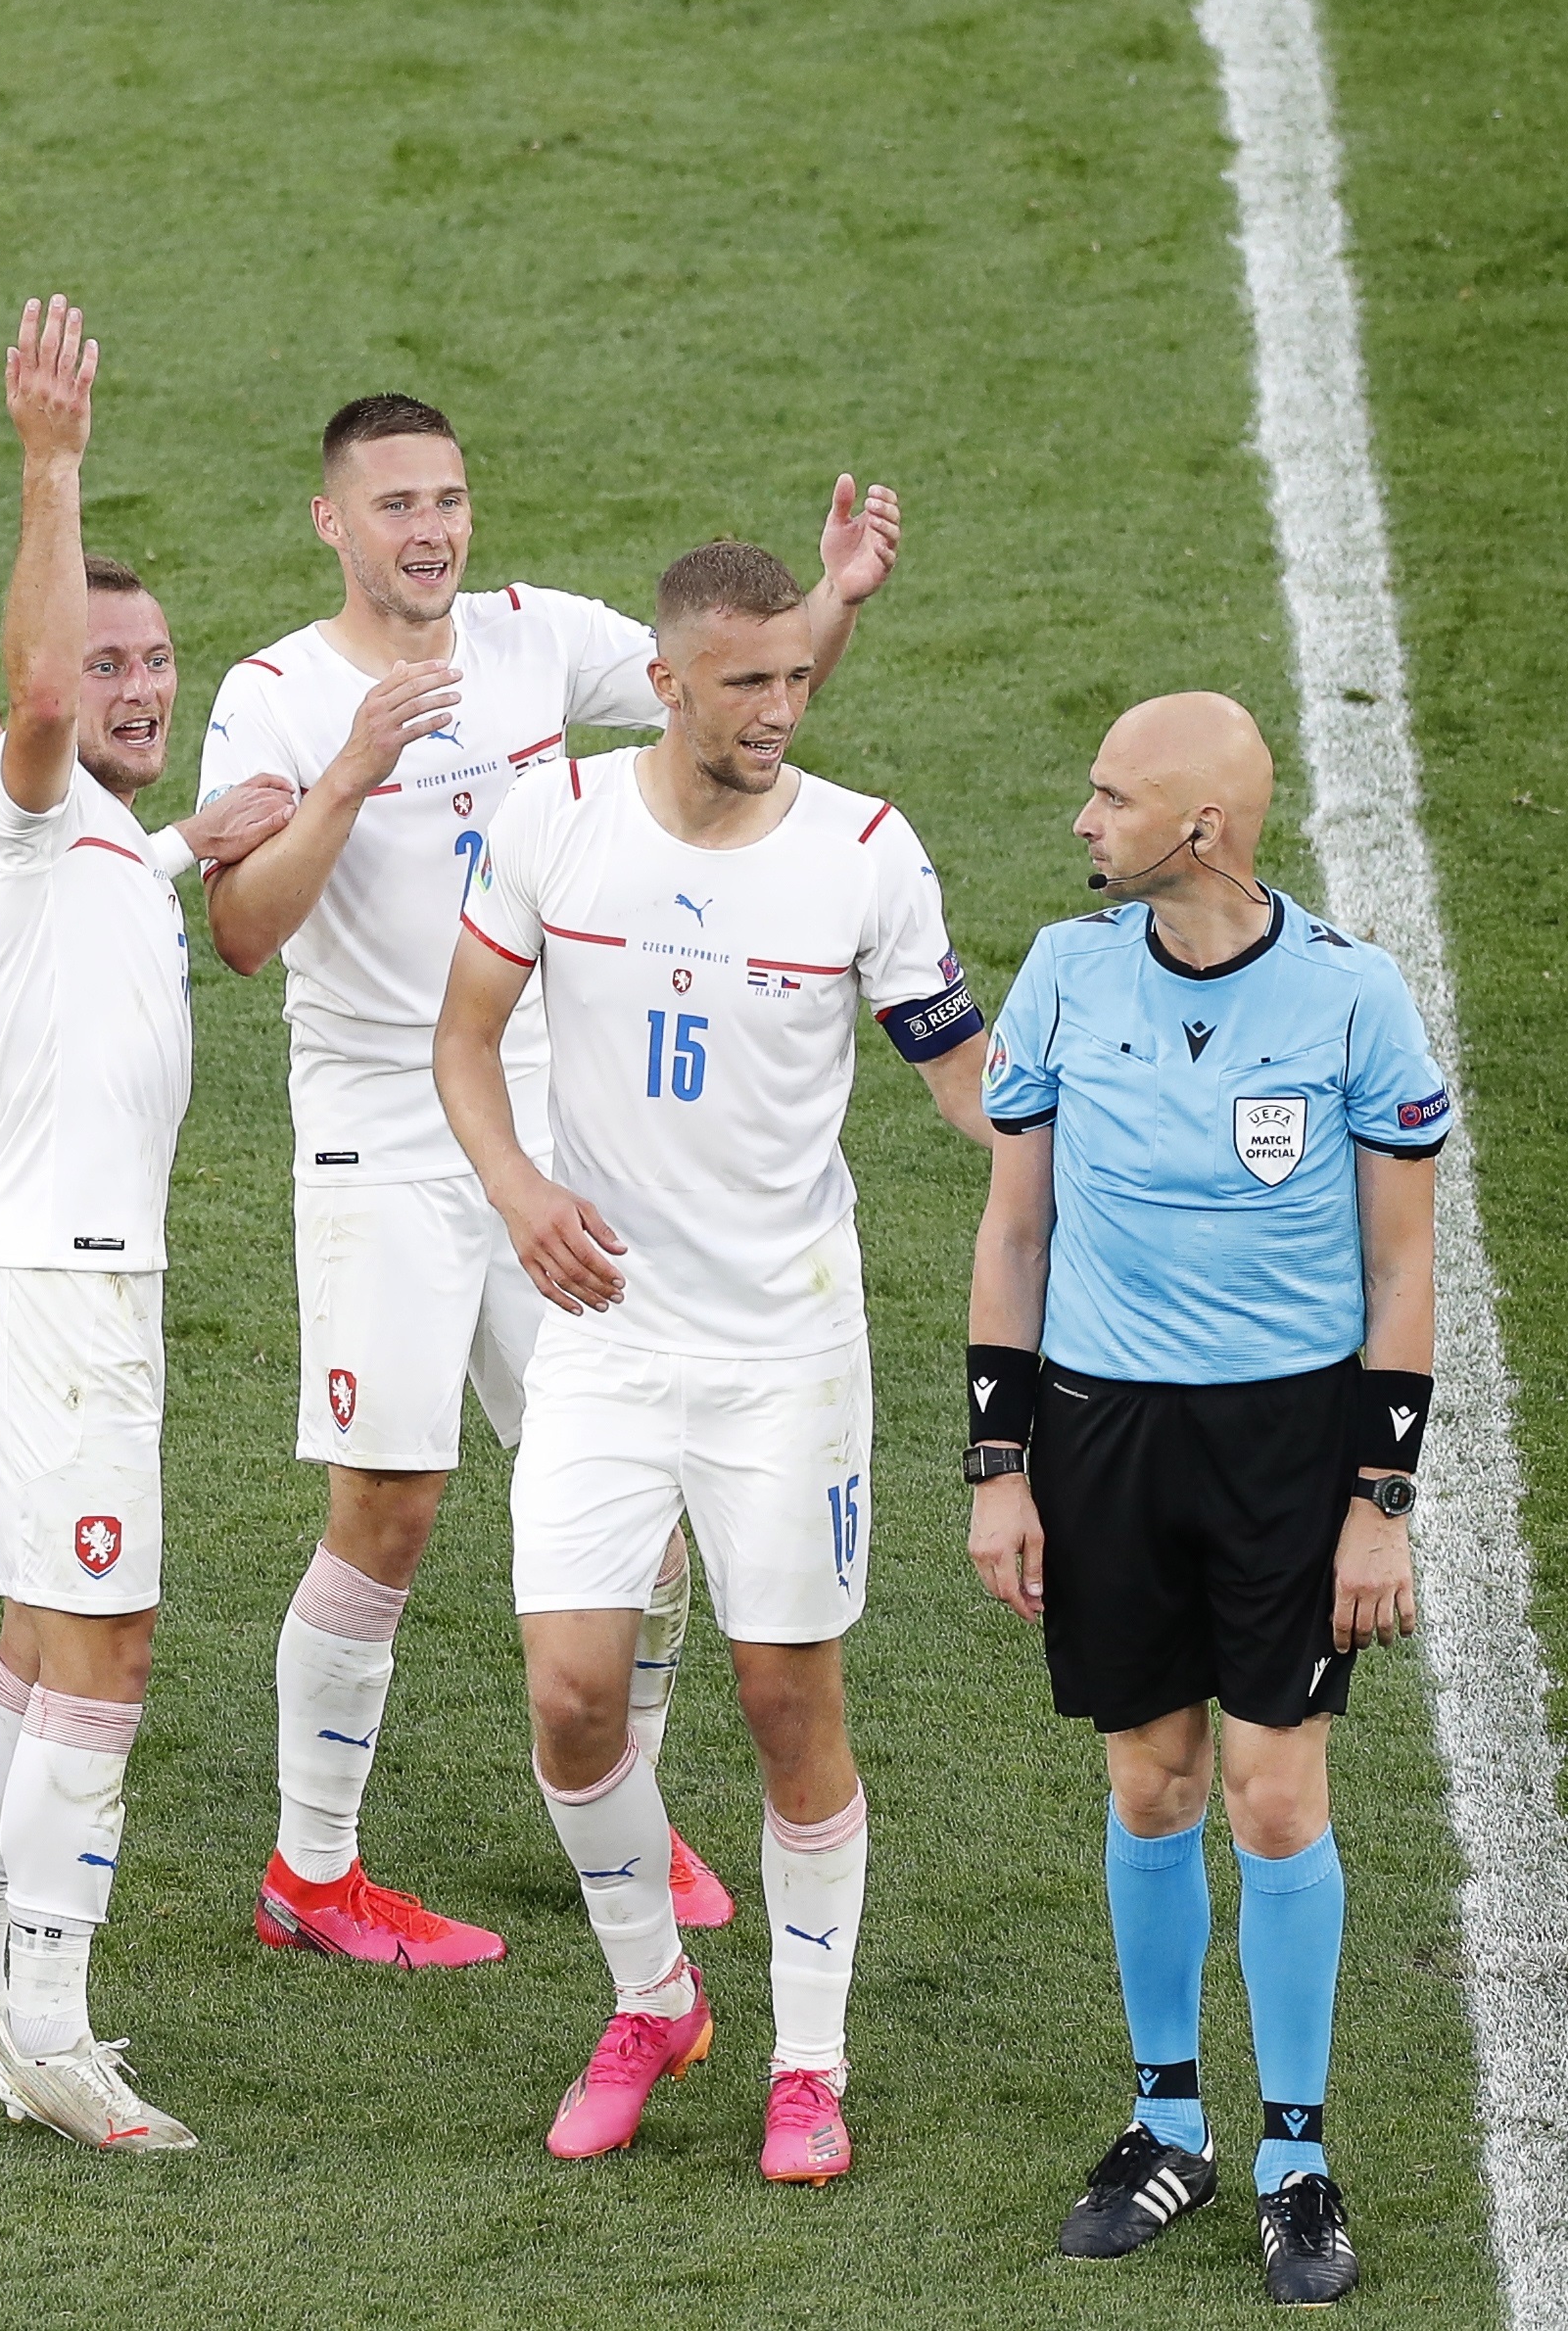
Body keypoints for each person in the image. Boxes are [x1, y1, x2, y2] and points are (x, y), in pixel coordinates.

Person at [199, 397, 902, 1965]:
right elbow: (241, 935)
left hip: (545, 1128)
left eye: (446, 497)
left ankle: (627, 1825)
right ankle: (310, 1873)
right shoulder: (271, 696)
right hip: (379, 1125)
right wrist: (347, 774)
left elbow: (730, 713)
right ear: (331, 524)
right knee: (389, 1501)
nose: (426, 528)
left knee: (638, 1522)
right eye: (391, 505)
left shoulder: (533, 639)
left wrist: (830, 603)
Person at [435, 538, 991, 2181]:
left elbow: (961, 1078)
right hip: (605, 1336)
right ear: (662, 684)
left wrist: (1087, 1144)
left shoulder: (862, 858)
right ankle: (652, 2000)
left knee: (780, 1698)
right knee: (568, 1696)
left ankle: (805, 2067)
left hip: (781, 1355)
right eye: (743, 682)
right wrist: (520, 1190)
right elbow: (462, 1038)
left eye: (794, 677)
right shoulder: (556, 822)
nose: (779, 707)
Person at [966, 692, 1441, 2307]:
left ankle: (1294, 2155)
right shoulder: (1061, 973)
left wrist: (1378, 1496)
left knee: (1272, 1799)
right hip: (1104, 1440)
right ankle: (1166, 2121)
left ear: (1200, 830)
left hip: (1286, 1453)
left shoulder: (1351, 999)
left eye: (1110, 797)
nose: (1081, 821)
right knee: (1154, 1787)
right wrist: (998, 1465)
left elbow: (1399, 1264)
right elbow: (1012, 1236)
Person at [0, 297, 293, 2154]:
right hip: (58, 1300)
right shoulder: (27, 808)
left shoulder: (120, 850)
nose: (130, 685)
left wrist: (216, 831)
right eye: (108, 658)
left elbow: (148, 853)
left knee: (36, 1645)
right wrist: (48, 469)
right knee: (106, 1654)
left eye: (156, 660)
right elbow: (36, 709)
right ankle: (41, 2029)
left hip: (39, 1285)